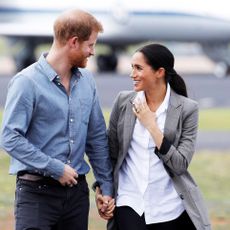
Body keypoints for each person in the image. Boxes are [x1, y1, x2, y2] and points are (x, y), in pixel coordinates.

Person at [1, 9, 114, 230]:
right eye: (90, 45)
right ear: (73, 42)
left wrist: (106, 187)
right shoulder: (26, 82)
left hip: (77, 196)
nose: (92, 52)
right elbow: (10, 137)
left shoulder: (87, 82)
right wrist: (55, 168)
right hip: (36, 196)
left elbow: (97, 138)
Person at [96, 43, 211, 230]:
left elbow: (180, 164)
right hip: (130, 204)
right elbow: (111, 155)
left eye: (138, 68)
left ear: (159, 72)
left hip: (169, 208)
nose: (132, 74)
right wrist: (102, 191)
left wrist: (151, 125)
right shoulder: (123, 102)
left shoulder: (188, 109)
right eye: (132, 67)